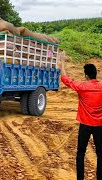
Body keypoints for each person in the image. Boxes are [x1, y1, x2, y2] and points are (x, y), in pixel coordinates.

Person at [60, 51, 102, 180]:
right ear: (95, 75)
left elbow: (66, 80)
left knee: (81, 153)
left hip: (85, 125)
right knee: (100, 154)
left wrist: (62, 61)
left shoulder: (82, 86)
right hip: (100, 126)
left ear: (86, 76)